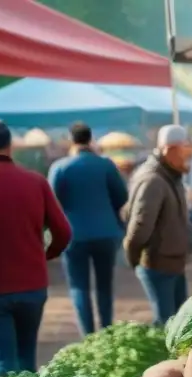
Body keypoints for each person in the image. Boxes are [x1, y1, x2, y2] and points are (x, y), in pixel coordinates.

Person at [0, 118, 71, 376]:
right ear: (10, 145)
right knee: (26, 361)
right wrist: (45, 255)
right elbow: (63, 232)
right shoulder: (35, 182)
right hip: (32, 284)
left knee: (3, 362)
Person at [124, 125, 192, 325]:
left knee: (178, 323)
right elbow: (139, 227)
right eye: (185, 152)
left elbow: (176, 220)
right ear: (169, 150)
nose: (189, 158)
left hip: (174, 264)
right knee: (166, 325)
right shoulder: (153, 180)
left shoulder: (172, 176)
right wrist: (135, 259)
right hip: (158, 265)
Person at [48, 122, 129, 336]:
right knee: (104, 284)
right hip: (106, 232)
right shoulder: (105, 165)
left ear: (71, 140)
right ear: (90, 139)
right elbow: (122, 196)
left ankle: (87, 335)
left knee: (79, 287)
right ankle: (106, 330)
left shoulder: (61, 167)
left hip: (73, 235)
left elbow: (52, 202)